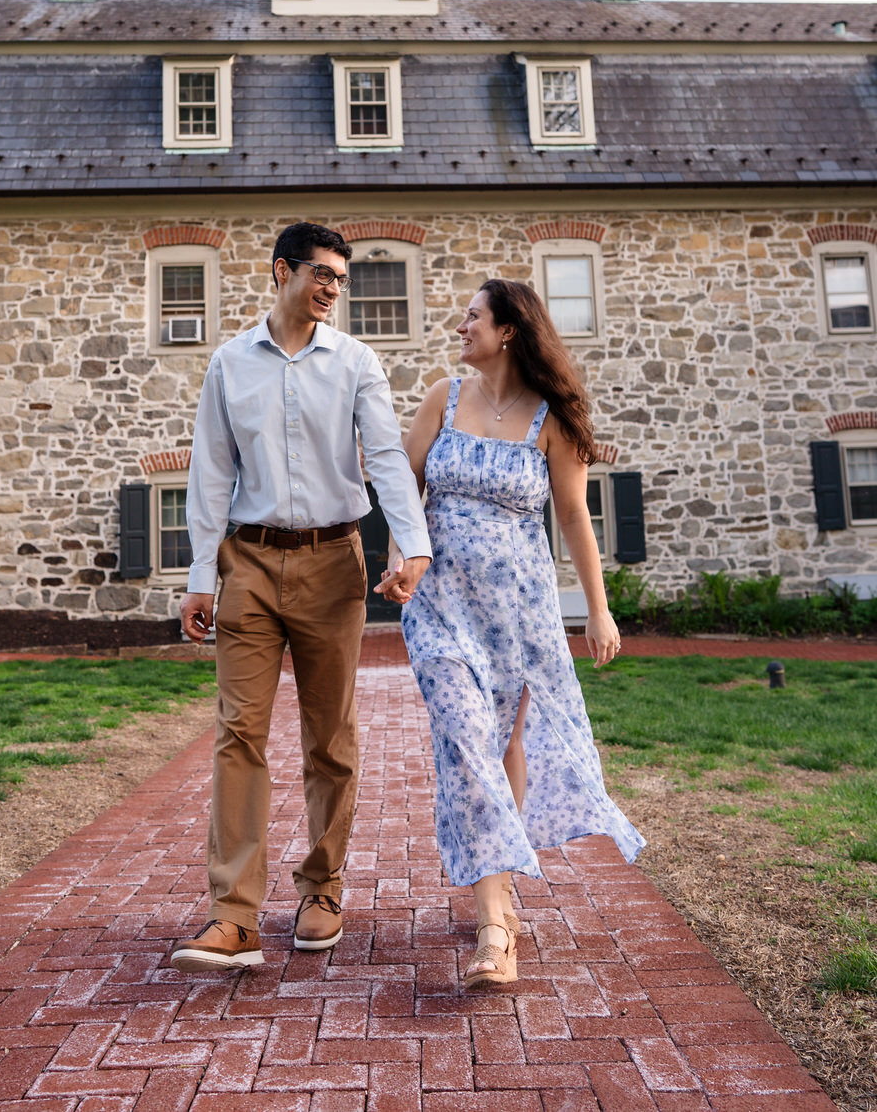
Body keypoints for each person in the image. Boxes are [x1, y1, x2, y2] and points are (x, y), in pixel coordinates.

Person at [171, 221, 431, 973]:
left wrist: (411, 546)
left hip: (331, 563)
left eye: (340, 279)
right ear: (280, 270)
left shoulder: (355, 361)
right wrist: (198, 576)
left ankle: (321, 888)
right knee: (238, 733)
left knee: (329, 738)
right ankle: (234, 916)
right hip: (247, 563)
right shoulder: (229, 364)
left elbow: (384, 455)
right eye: (320, 273)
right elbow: (210, 475)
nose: (332, 288)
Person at [378, 278, 644, 988]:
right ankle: (495, 924)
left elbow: (574, 517)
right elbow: (403, 486)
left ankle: (497, 891)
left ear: (510, 332)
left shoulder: (551, 419)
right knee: (466, 740)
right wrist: (398, 557)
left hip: (518, 616)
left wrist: (599, 607)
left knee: (503, 745)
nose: (460, 325)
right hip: (438, 608)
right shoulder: (444, 397)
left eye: (473, 317)